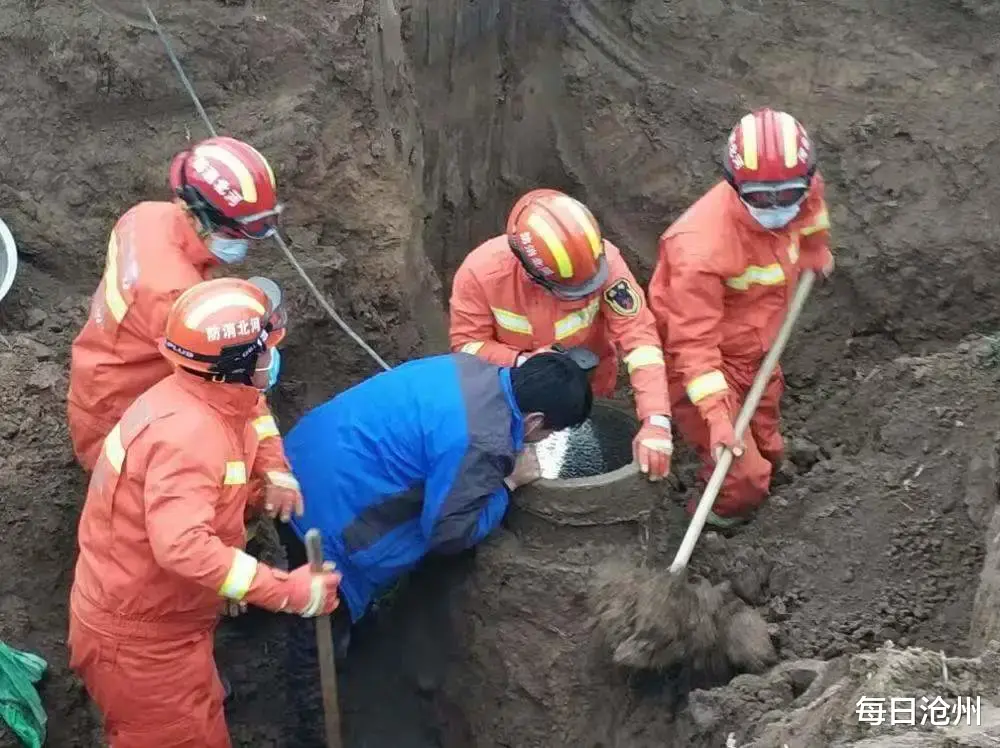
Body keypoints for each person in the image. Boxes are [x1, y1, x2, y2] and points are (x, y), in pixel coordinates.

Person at [68, 277, 341, 748]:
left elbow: (253, 409)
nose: (271, 357)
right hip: (141, 646)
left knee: (203, 711)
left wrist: (275, 470)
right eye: (264, 350)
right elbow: (182, 547)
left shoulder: (210, 391)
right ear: (236, 365)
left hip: (172, 623)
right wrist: (284, 591)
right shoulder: (188, 438)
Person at [276, 350, 592, 746]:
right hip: (327, 520)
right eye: (549, 434)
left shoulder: (467, 369)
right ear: (535, 422)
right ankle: (311, 730)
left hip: (298, 465)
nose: (544, 441)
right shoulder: (481, 439)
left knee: (337, 611)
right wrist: (509, 485)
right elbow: (449, 533)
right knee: (316, 633)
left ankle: (358, 640)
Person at [66, 136, 297, 519]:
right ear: (204, 218)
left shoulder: (144, 217)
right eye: (238, 234)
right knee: (209, 490)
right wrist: (271, 471)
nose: (244, 246)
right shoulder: (176, 296)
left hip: (100, 377)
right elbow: (232, 392)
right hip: (122, 414)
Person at [648, 108, 834, 528]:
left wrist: (814, 248)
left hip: (759, 345)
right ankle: (716, 516)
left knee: (767, 440)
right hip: (704, 362)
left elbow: (812, 209)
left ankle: (761, 467)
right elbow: (693, 346)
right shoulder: (698, 249)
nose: (776, 207)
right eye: (760, 197)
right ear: (734, 185)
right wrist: (717, 418)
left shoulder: (804, 189)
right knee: (744, 475)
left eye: (787, 194)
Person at [448, 188, 673, 481]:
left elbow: (639, 339)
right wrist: (523, 362)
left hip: (592, 386)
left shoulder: (604, 265)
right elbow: (466, 348)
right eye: (567, 291)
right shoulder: (480, 275)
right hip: (517, 397)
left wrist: (656, 419)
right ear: (530, 272)